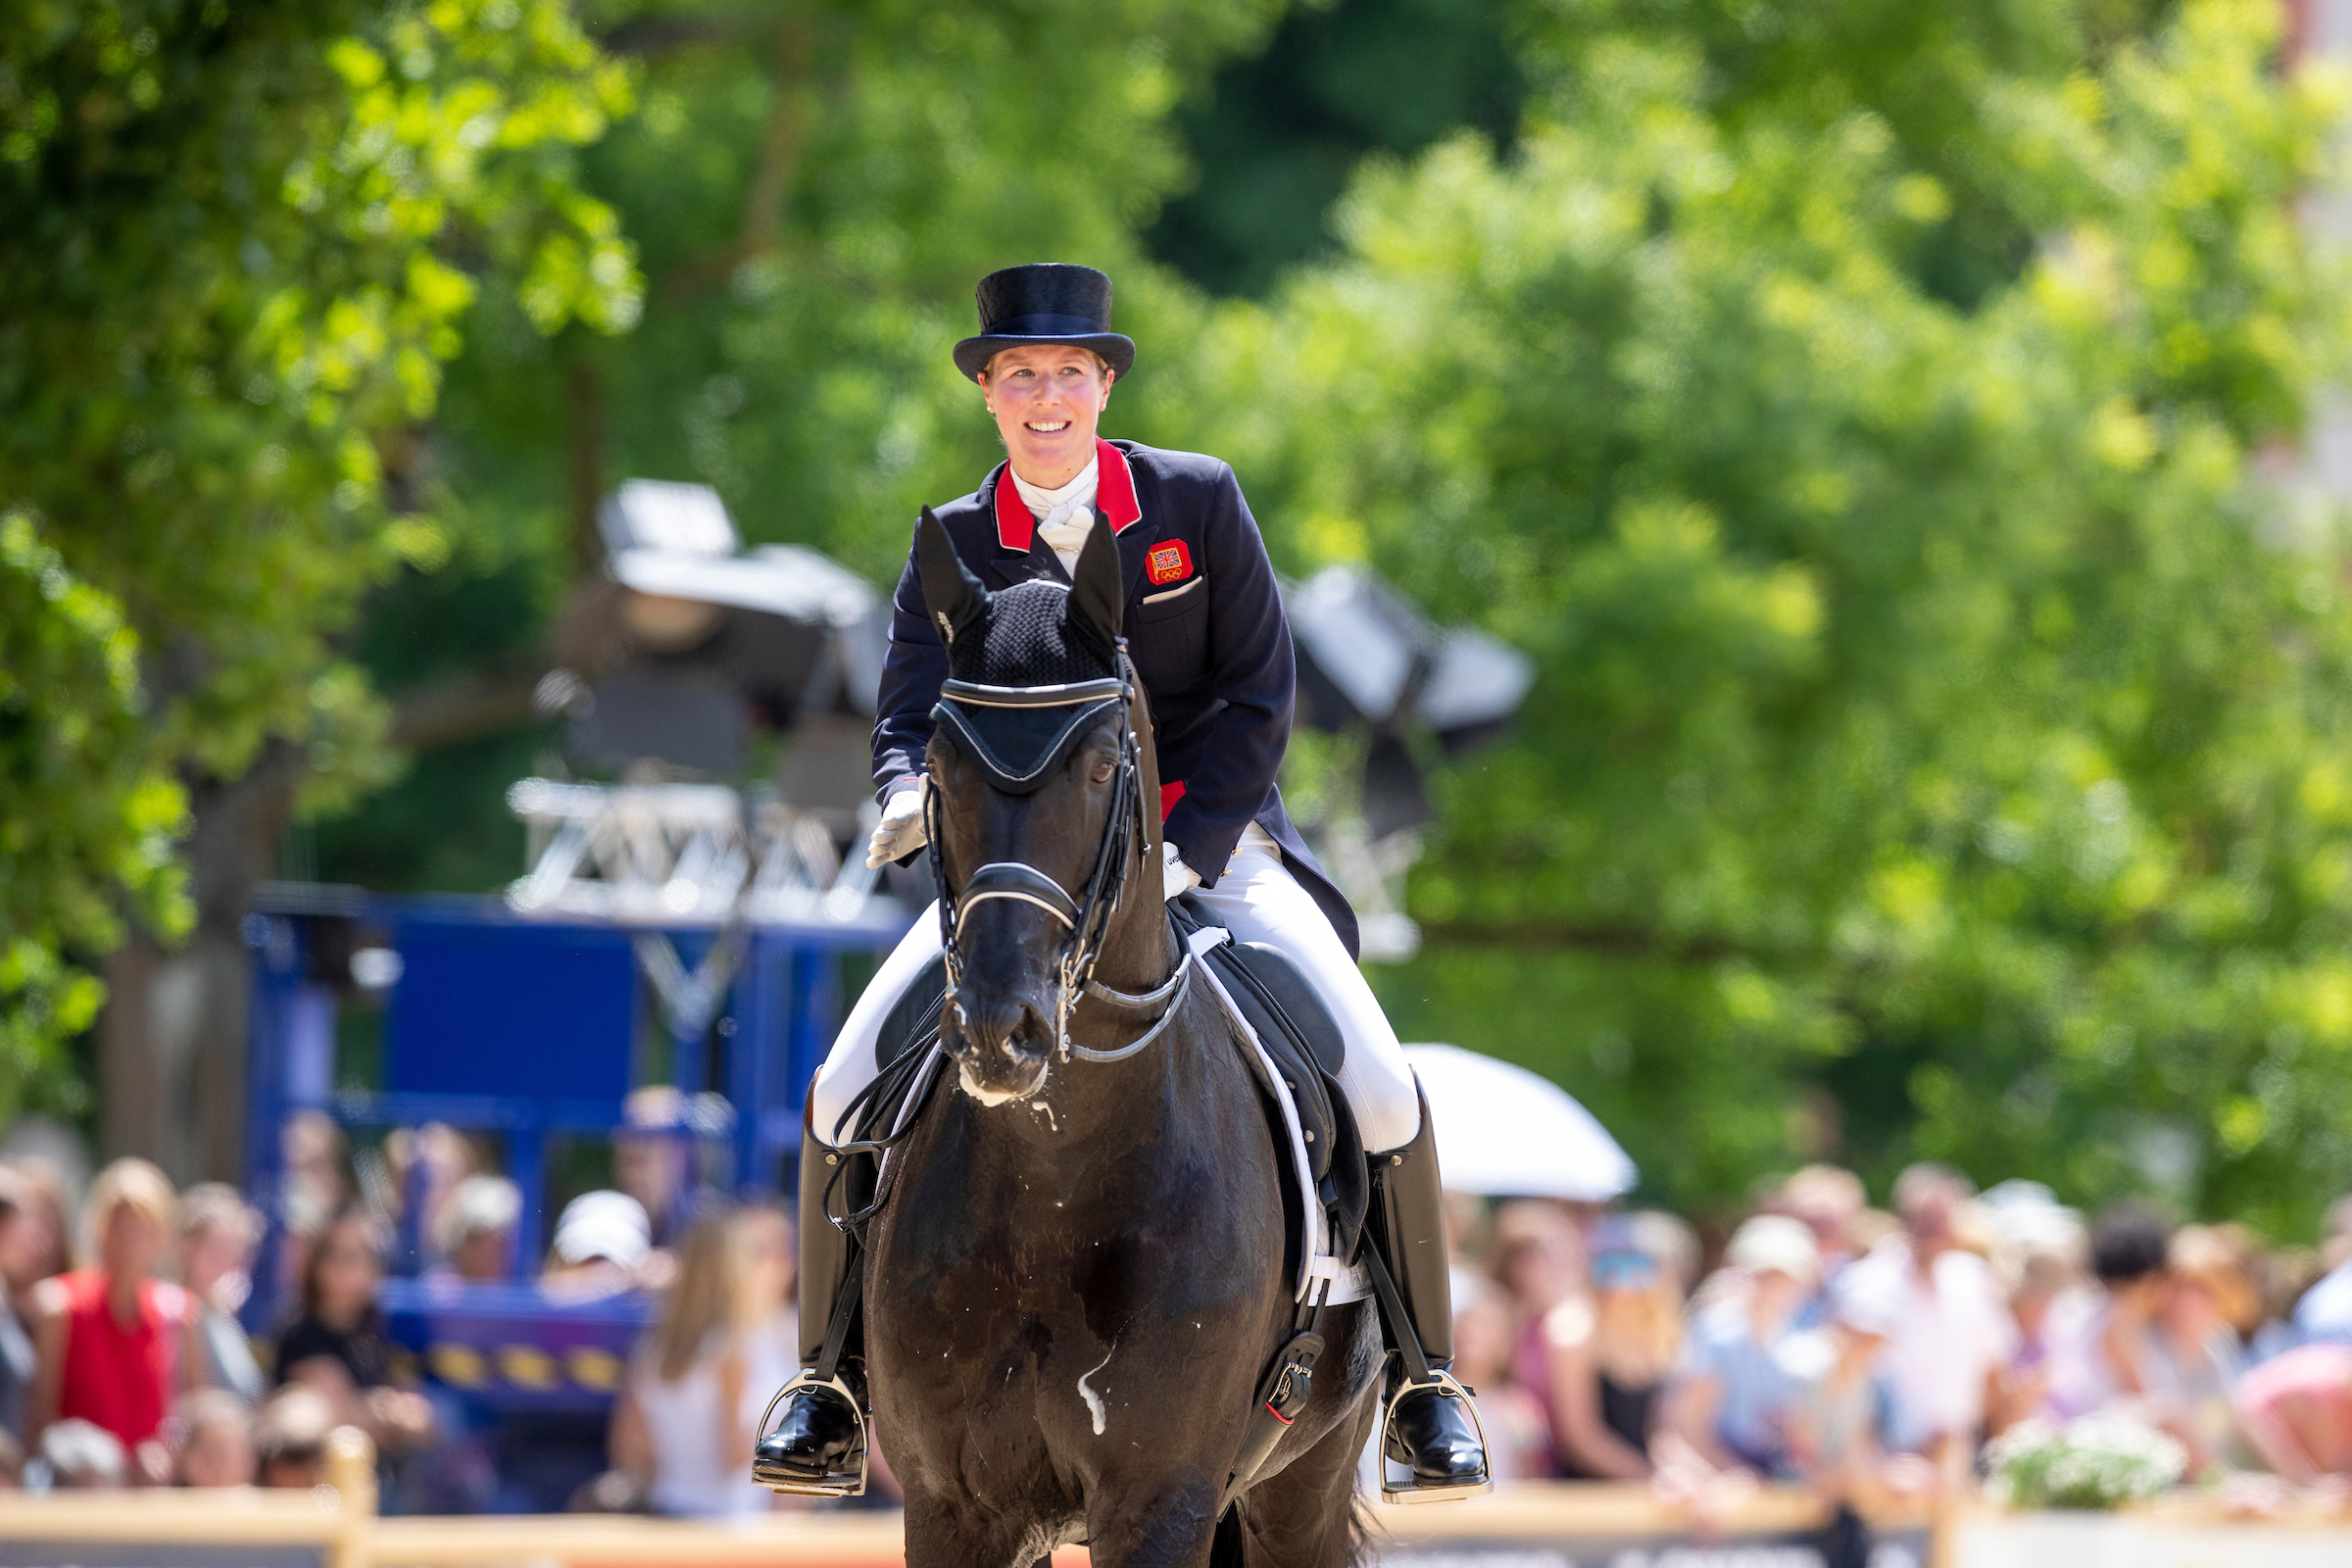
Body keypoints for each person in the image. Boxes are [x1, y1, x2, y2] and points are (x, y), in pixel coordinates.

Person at [754, 263, 1487, 1499]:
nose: (1048, 396)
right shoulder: (952, 540)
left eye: (1070, 374)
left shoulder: (1194, 503)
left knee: (1379, 1075)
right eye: (1021, 375)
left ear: (1103, 385)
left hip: (1215, 848)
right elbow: (904, 714)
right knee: (841, 1083)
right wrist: (897, 799)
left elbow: (1259, 693)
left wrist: (1187, 856)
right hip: (1017, 883)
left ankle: (1423, 1383)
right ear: (991, 392)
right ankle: (826, 1381)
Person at [26, 1157, 196, 1481]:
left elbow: (190, 1418)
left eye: (144, 1227)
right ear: (99, 1229)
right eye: (121, 1225)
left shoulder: (177, 1315)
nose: (132, 1240)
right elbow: (39, 1419)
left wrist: (166, 1456)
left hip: (152, 1494)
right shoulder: (60, 1307)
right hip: (83, 1494)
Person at [1838, 1164, 2015, 1467]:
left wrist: (1957, 1437)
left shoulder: (1972, 1280)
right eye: (1922, 1219)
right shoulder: (1869, 1284)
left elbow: (1994, 1370)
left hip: (1953, 1458)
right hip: (1883, 1462)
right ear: (1903, 1219)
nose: (1931, 1230)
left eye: (1941, 1219)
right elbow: (1848, 1376)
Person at [610, 1210, 769, 1517]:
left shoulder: (653, 1350)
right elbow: (734, 1454)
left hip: (666, 1508)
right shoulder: (731, 1351)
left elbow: (630, 1446)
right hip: (726, 1522)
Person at [273, 1203, 435, 1459]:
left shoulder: (378, 1331)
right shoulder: (300, 1333)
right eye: (340, 1255)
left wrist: (387, 1411)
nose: (351, 1268)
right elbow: (344, 1419)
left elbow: (420, 1417)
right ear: (317, 1264)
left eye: (364, 1256)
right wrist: (384, 1411)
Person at [1664, 1214, 1820, 1477]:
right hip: (1720, 1484)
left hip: (1760, 1484)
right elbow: (1688, 1430)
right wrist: (1735, 1474)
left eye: (1785, 1278)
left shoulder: (1791, 1344)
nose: (1775, 1287)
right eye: (1765, 1276)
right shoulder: (1715, 1334)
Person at [1546, 1216, 1680, 1479]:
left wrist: (1692, 1477)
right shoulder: (1576, 1334)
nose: (1621, 1281)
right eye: (1609, 1266)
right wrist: (1649, 1478)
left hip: (1644, 1493)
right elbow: (1580, 1438)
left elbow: (1662, 1435)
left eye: (1636, 1266)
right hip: (1589, 1496)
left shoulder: (1659, 1337)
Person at [178, 1183, 266, 1402]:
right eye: (216, 1246)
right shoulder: (181, 1312)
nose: (228, 1258)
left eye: (235, 1247)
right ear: (188, 1247)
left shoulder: (222, 1313)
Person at [430, 1175, 520, 1283]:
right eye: (476, 1239)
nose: (488, 1253)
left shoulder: (528, 1291)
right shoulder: (438, 1290)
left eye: (500, 1239)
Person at [172, 1388, 258, 1488]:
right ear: (184, 1456)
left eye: (225, 1454)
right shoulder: (163, 1499)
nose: (216, 1465)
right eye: (206, 1454)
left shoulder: (263, 1501)